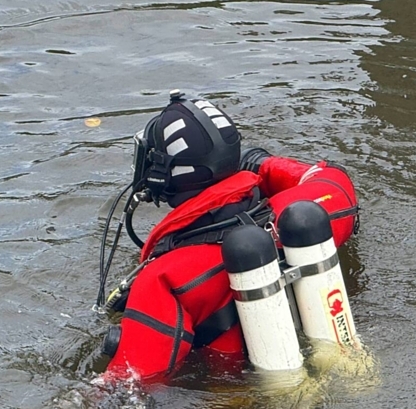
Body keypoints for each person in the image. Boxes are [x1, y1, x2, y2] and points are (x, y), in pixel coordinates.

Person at [99, 90, 359, 384]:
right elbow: (331, 177)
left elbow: (131, 383)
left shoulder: (163, 278)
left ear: (162, 173)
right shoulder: (312, 209)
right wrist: (259, 164)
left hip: (237, 397)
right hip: (334, 361)